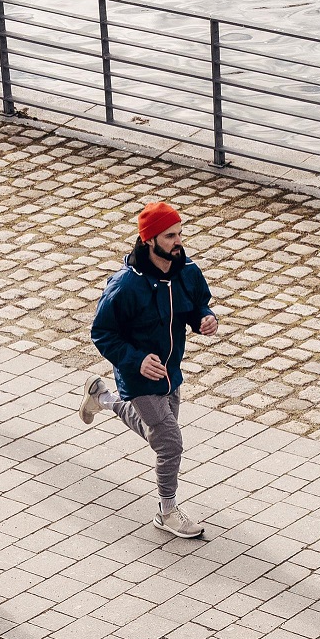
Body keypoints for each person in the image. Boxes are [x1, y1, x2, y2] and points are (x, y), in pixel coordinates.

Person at [80, 201, 217, 539]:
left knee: (157, 433)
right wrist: (136, 360)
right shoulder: (125, 285)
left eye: (179, 233)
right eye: (169, 236)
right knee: (170, 444)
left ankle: (102, 398)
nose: (178, 241)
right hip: (138, 377)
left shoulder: (187, 271)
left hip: (170, 371)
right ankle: (167, 512)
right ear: (148, 240)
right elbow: (102, 332)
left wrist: (205, 319)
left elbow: (197, 304)